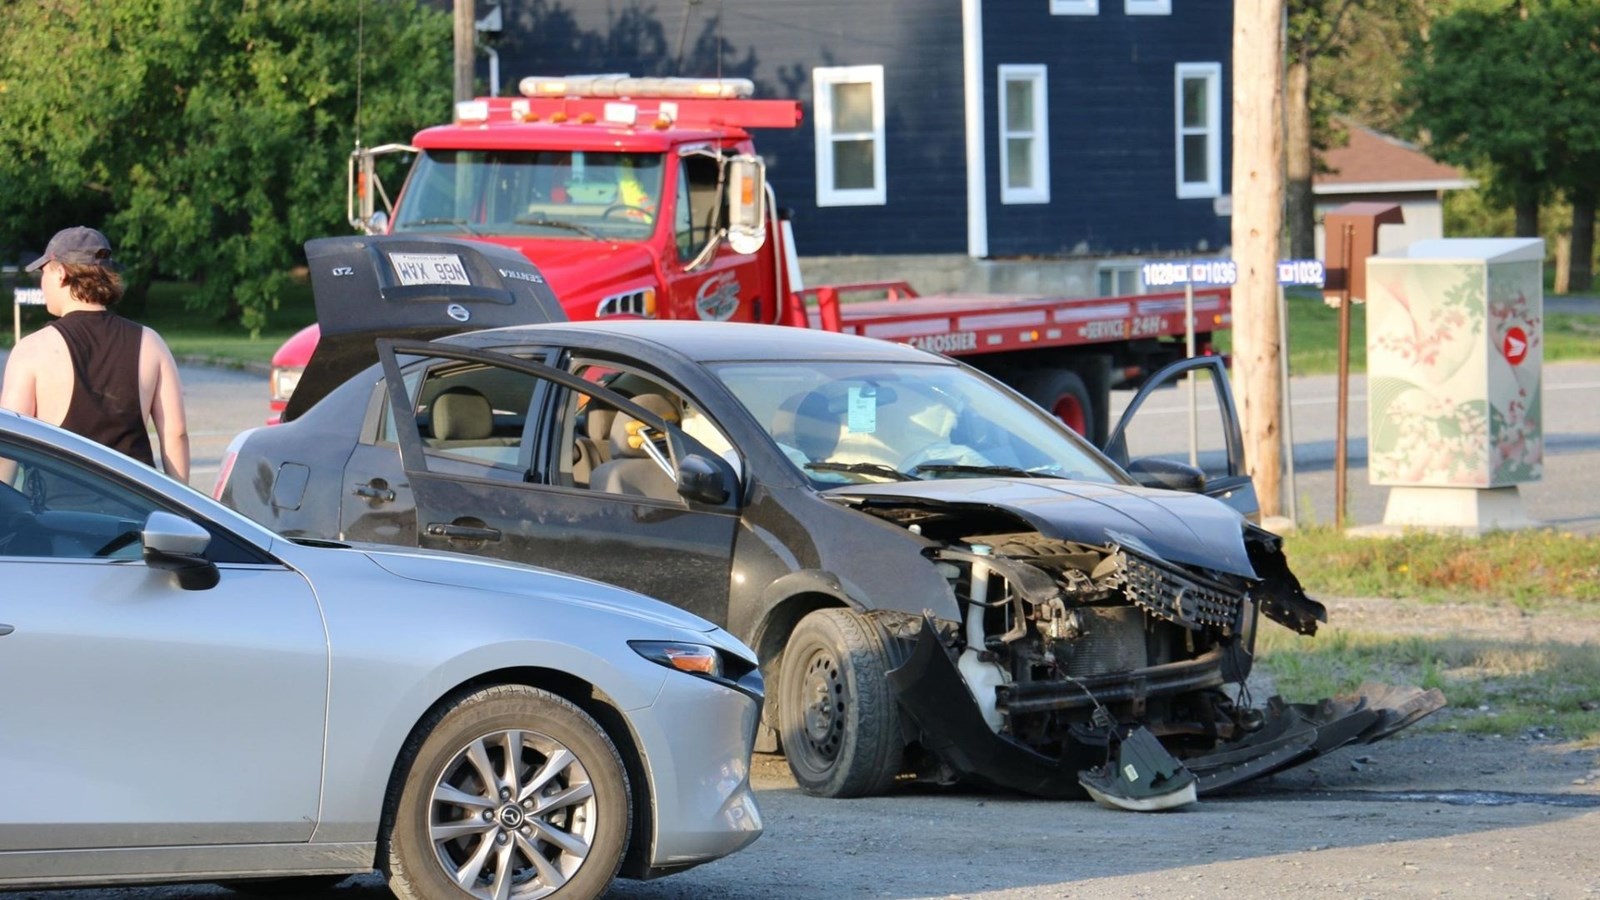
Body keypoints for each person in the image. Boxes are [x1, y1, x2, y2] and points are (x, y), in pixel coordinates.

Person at [0, 227, 188, 484]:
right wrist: (179, 506)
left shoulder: (33, 349)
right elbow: (175, 434)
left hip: (58, 514)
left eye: (42, 272)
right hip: (135, 510)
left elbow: (9, 443)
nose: (41, 283)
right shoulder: (150, 342)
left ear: (60, 272)